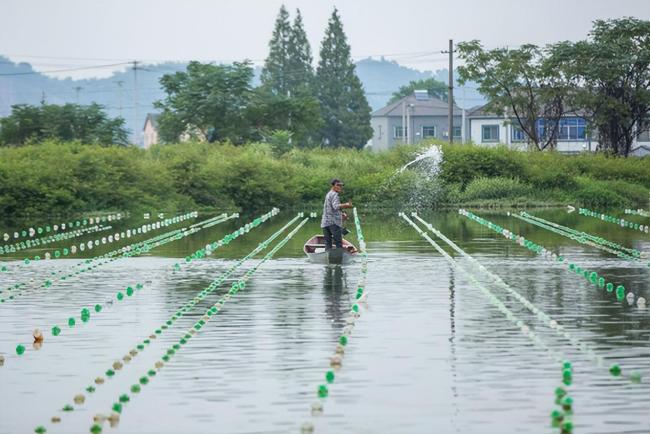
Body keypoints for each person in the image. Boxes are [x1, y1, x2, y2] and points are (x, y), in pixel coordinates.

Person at [321, 179, 353, 251]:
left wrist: (342, 213)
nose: (340, 187)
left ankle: (328, 258)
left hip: (325, 223)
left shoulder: (328, 194)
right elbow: (335, 206)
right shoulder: (335, 195)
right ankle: (338, 259)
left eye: (341, 185)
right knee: (338, 243)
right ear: (333, 186)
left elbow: (330, 208)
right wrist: (346, 205)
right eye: (338, 185)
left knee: (328, 243)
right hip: (333, 223)